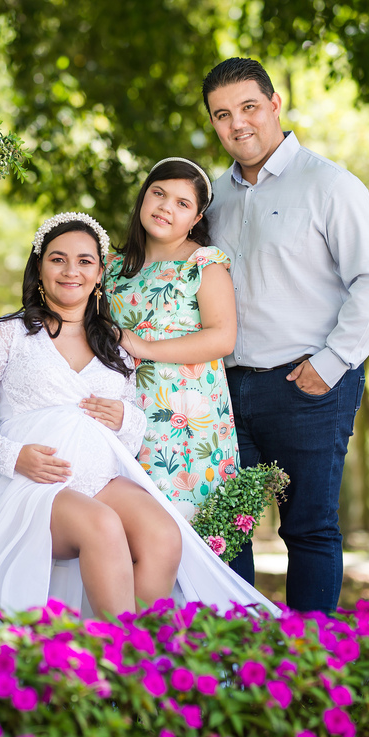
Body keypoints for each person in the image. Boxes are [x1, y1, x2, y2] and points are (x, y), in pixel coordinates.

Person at [0, 212, 276, 619]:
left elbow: (132, 434)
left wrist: (123, 419)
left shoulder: (114, 346)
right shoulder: (8, 335)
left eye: (85, 261)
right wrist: (13, 457)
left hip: (101, 478)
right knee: (102, 527)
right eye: (58, 259)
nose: (71, 271)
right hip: (35, 485)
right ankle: (124, 663)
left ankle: (138, 652)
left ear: (100, 273)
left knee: (164, 536)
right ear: (40, 267)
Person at [201, 57, 369, 614]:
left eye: (248, 107)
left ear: (275, 103)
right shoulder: (214, 198)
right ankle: (235, 662)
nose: (238, 124)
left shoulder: (329, 184)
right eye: (222, 115)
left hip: (307, 386)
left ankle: (307, 666)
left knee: (308, 529)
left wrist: (332, 363)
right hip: (226, 391)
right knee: (224, 530)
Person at [105, 157, 239, 520]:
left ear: (196, 219)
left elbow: (223, 337)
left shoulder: (203, 264)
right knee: (124, 531)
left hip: (185, 416)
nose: (166, 207)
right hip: (122, 412)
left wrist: (144, 347)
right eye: (159, 194)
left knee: (182, 530)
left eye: (182, 203)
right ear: (143, 197)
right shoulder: (111, 266)